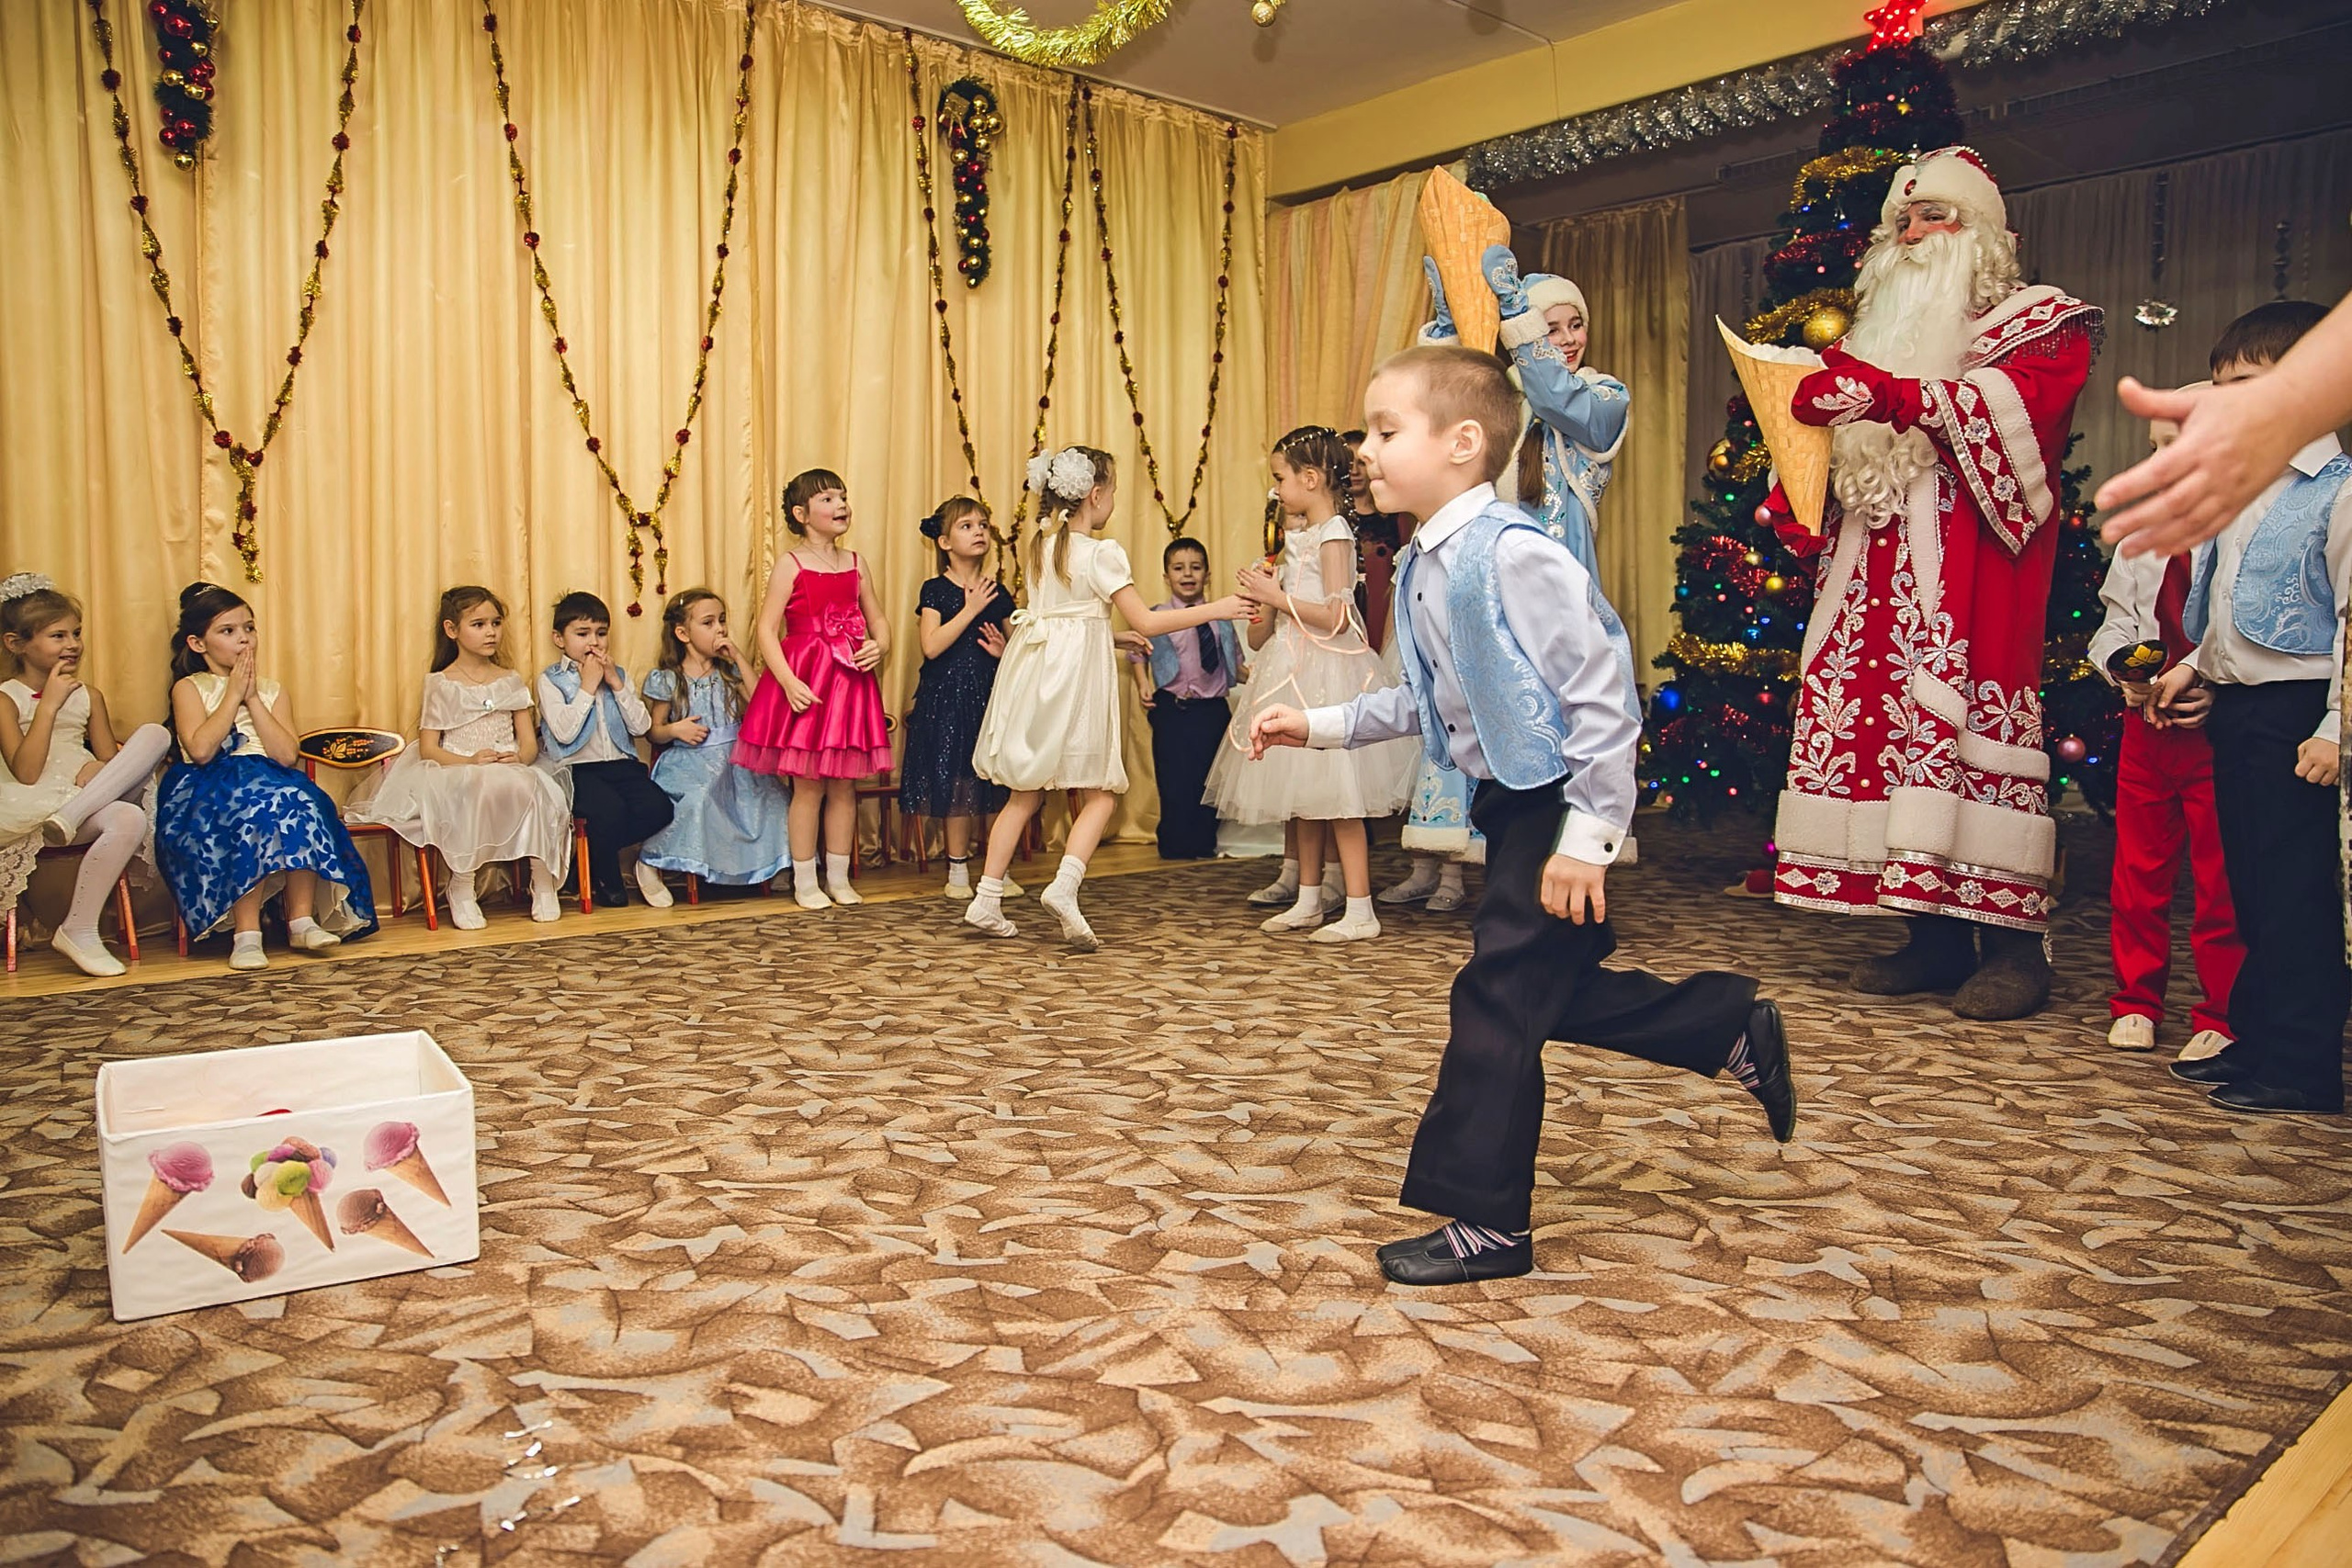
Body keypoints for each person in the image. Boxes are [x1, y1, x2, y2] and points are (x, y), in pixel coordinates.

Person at [1250, 344, 1793, 1285]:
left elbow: (1604, 699)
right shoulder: (1425, 559)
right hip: (1508, 802)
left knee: (1497, 1001)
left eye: (1384, 432)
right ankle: (1725, 1026)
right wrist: (1320, 722)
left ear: (1463, 443)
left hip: (1554, 803)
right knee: (1550, 988)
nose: (1363, 452)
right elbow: (1422, 700)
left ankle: (1487, 1223)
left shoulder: (1512, 554)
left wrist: (1588, 839)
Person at [1768, 146, 2101, 1021]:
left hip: (1971, 581)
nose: (1913, 235)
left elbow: (2020, 417)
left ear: (1983, 233)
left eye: (1934, 218)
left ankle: (2017, 948)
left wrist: (1894, 396)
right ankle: (1933, 937)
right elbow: (1853, 456)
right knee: (1886, 738)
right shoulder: (1876, 334)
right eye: (1901, 222)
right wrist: (1799, 490)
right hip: (1875, 584)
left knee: (1973, 744)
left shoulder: (2040, 323)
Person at [2145, 300, 2351, 1117]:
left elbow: (2346, 625)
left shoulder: (2337, 493)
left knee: (2300, 894)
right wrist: (2193, 665)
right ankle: (2258, 1040)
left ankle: (2305, 1066)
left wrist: (2338, 727)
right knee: (2251, 889)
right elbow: (2234, 608)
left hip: (2304, 718)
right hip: (2241, 711)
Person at [965, 445, 1249, 949]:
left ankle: (986, 898)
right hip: (1074, 683)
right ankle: (1065, 886)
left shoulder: (1040, 545)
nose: (1114, 498)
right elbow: (1149, 620)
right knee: (1101, 792)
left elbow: (1061, 616)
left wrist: (1112, 637)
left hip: (1037, 674)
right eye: (1114, 489)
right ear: (1095, 495)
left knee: (1025, 793)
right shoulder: (1101, 552)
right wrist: (1218, 607)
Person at [1209, 426, 1414, 942]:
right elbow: (1265, 634)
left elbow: (1340, 618)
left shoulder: (1336, 533)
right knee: (1304, 796)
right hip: (1291, 669)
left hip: (1330, 675)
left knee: (1339, 798)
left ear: (1311, 477)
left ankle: (1361, 908)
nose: (1276, 489)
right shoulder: (1297, 538)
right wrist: (1262, 600)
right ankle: (1307, 898)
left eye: (1281, 478)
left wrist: (1277, 597)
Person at [2085, 407, 2239, 1061]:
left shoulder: (2243, 534)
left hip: (2214, 729)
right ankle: (2136, 1001)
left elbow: (2241, 628)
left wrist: (2200, 675)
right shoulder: (2139, 538)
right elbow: (2116, 622)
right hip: (2145, 727)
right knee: (2138, 873)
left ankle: (2222, 1011)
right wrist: (2124, 672)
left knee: (2220, 878)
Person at [155, 581, 376, 970]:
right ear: (197, 644)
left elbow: (288, 754)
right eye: (228, 631)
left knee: (303, 799)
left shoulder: (273, 690)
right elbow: (201, 750)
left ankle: (302, 920)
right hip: (209, 784)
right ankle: (246, 933)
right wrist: (233, 694)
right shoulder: (189, 688)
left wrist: (254, 697)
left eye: (249, 628)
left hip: (271, 775)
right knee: (252, 807)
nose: (244, 640)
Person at [347, 586, 572, 928]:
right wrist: (469, 762)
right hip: (457, 767)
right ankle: (462, 885)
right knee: (474, 788)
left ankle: (542, 881)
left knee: (537, 790)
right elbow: (429, 749)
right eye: (479, 624)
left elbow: (528, 743)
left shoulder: (509, 680)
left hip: (506, 764)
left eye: (495, 623)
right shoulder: (441, 683)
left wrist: (518, 758)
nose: (491, 632)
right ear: (452, 630)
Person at [734, 469, 893, 909]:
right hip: (808, 681)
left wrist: (879, 644)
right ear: (802, 514)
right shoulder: (792, 564)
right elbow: (767, 629)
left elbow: (877, 618)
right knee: (808, 785)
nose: (840, 504)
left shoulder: (857, 563)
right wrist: (788, 681)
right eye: (827, 498)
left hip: (849, 682)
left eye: (842, 496)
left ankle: (839, 877)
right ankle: (805, 880)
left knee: (844, 786)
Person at [0, 574, 171, 976]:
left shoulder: (89, 695)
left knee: (154, 739)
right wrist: (49, 707)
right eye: (58, 636)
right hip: (31, 804)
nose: (73, 643)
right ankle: (78, 924)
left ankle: (78, 927)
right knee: (124, 814)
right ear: (16, 643)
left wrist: (96, 773)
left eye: (76, 633)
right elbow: (25, 773)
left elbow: (114, 766)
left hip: (74, 807)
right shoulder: (7, 698)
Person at [2101, 291, 2352, 558]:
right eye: (2219, 391)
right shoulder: (2224, 491)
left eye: (2245, 386)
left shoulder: (2343, 496)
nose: (2228, 405)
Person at [899, 499, 1017, 899]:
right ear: (946, 541)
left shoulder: (997, 592)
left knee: (997, 783)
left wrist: (1006, 653)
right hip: (946, 700)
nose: (979, 531)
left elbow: (1020, 650)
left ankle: (996, 870)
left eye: (983, 524)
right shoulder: (935, 590)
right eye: (967, 526)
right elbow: (931, 646)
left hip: (988, 697)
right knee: (958, 785)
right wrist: (969, 610)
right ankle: (957, 871)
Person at [639, 587, 792, 892]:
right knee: (699, 800)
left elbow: (760, 702)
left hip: (737, 758)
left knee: (773, 800)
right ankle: (651, 862)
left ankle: (774, 864)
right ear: (683, 633)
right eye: (708, 623)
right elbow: (653, 730)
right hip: (690, 761)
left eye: (721, 620)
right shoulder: (669, 677)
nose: (720, 628)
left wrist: (738, 657)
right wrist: (674, 730)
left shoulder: (728, 670)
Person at [537, 589, 673, 911]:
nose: (593, 643)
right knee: (607, 811)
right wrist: (586, 685)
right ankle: (606, 879)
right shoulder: (551, 680)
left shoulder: (619, 674)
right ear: (560, 638)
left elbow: (641, 728)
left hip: (620, 765)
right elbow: (564, 733)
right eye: (582, 634)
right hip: (577, 769)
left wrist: (615, 683)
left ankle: (590, 861)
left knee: (659, 807)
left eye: (600, 633)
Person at [1128, 536, 1241, 862]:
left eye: (1195, 567)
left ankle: (1204, 843)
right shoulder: (1157, 616)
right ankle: (1175, 845)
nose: (1187, 574)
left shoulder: (1221, 618)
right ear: (1167, 576)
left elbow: (1234, 659)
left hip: (1212, 709)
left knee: (1209, 779)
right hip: (1174, 707)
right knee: (1175, 778)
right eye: (1179, 568)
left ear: (1207, 574)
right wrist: (1141, 684)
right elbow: (1138, 653)